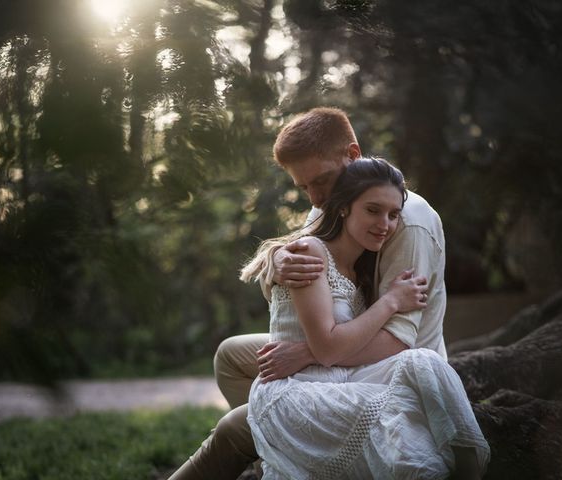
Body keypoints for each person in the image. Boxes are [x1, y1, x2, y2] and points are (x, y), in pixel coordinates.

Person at [168, 108, 454, 479]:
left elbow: (400, 341)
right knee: (231, 356)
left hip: (388, 370)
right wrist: (277, 265)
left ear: (352, 155)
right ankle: (282, 457)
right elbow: (295, 304)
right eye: (304, 187)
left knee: (234, 430)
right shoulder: (331, 206)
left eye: (322, 180)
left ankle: (275, 447)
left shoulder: (408, 224)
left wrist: (308, 353)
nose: (315, 198)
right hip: (342, 344)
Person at [243, 157, 490, 478]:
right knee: (408, 450)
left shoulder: (361, 271)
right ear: (344, 207)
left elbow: (379, 345)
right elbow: (329, 348)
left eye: (393, 215)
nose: (385, 225)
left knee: (425, 362)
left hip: (340, 377)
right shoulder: (310, 253)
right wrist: (390, 301)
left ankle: (471, 470)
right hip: (295, 389)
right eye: (373, 211)